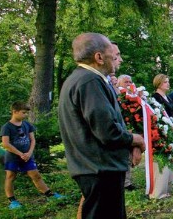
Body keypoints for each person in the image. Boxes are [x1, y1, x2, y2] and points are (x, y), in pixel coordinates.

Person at [58, 33, 145, 219]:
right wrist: (135, 139)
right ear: (99, 57)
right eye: (112, 55)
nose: (115, 59)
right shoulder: (90, 81)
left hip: (95, 167)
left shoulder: (81, 79)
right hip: (100, 169)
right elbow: (107, 131)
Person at [1, 101, 63, 209]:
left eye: (26, 113)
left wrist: (29, 153)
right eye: (23, 113)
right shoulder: (7, 127)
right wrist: (20, 154)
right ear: (15, 112)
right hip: (12, 157)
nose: (26, 115)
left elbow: (32, 140)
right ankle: (13, 201)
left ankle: (49, 194)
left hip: (27, 156)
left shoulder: (27, 124)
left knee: (36, 175)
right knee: (10, 177)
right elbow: (5, 144)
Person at [150, 74, 173, 199]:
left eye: (168, 81)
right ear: (159, 83)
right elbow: (159, 116)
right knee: (163, 159)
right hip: (163, 132)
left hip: (172, 130)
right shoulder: (155, 97)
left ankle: (167, 186)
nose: (168, 84)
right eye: (166, 82)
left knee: (171, 158)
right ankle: (159, 190)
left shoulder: (168, 97)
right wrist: (171, 127)